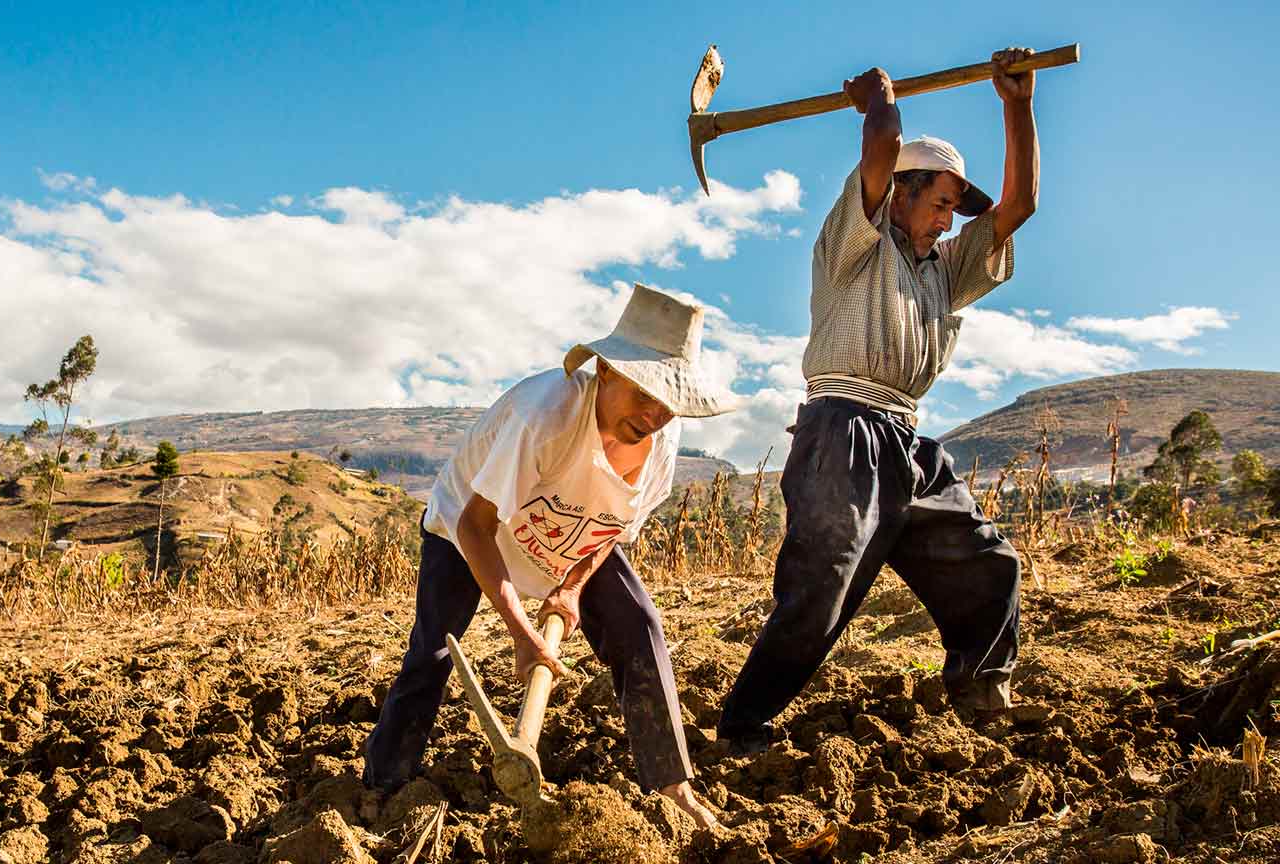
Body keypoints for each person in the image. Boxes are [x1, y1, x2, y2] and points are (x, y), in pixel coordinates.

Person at [718, 48, 1041, 748]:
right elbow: (884, 143)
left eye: (953, 209)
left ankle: (980, 694)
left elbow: (1018, 207)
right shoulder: (855, 245)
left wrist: (1017, 106)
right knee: (824, 584)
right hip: (843, 430)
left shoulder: (943, 270)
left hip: (906, 440)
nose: (949, 221)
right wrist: (878, 103)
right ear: (900, 192)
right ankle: (743, 724)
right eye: (940, 204)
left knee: (988, 563)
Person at [364, 284, 736, 827]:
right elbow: (476, 526)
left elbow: (613, 527)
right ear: (605, 370)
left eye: (668, 402)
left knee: (640, 625)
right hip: (472, 528)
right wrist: (521, 632)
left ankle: (673, 787)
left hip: (570, 537)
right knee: (434, 649)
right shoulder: (544, 416)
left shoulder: (662, 441)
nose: (654, 414)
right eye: (643, 392)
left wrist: (571, 588)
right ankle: (384, 785)